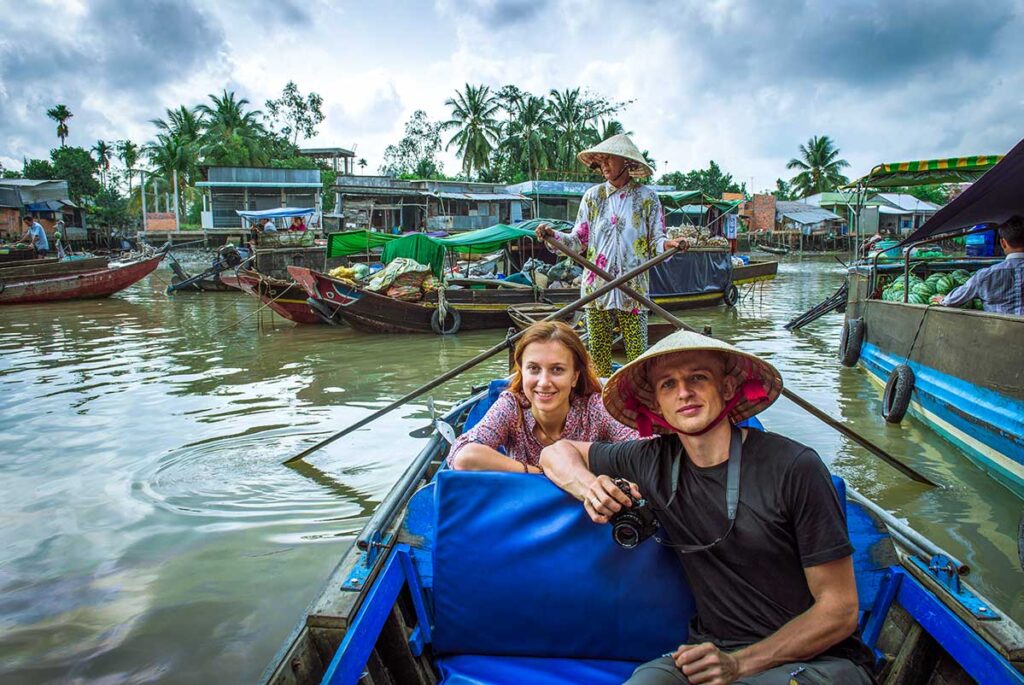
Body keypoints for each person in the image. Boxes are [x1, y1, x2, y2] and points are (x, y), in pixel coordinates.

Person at [540, 330, 874, 685]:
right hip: (712, 651)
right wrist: (590, 487)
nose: (684, 392)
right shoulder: (651, 461)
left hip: (821, 660)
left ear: (727, 388)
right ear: (656, 405)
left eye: (697, 378)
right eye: (668, 385)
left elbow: (840, 610)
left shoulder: (794, 467)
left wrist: (740, 665)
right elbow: (557, 452)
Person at [535, 134, 683, 376]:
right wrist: (553, 236)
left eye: (609, 160)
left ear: (625, 162)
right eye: (601, 161)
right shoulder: (593, 198)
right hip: (597, 291)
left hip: (633, 290)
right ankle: (601, 407)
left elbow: (656, 240)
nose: (604, 165)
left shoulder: (647, 199)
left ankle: (636, 405)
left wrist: (669, 245)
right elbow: (577, 240)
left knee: (638, 359)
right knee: (598, 361)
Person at [447, 321, 637, 473]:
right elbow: (462, 456)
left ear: (574, 377)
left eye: (557, 370)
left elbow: (642, 450)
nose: (544, 382)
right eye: (534, 369)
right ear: (523, 372)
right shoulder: (512, 406)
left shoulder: (594, 408)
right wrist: (537, 473)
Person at [933, 216, 1024, 315]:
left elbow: (952, 300)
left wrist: (942, 300)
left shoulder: (985, 275)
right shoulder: (984, 275)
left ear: (1003, 243)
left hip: (997, 329)